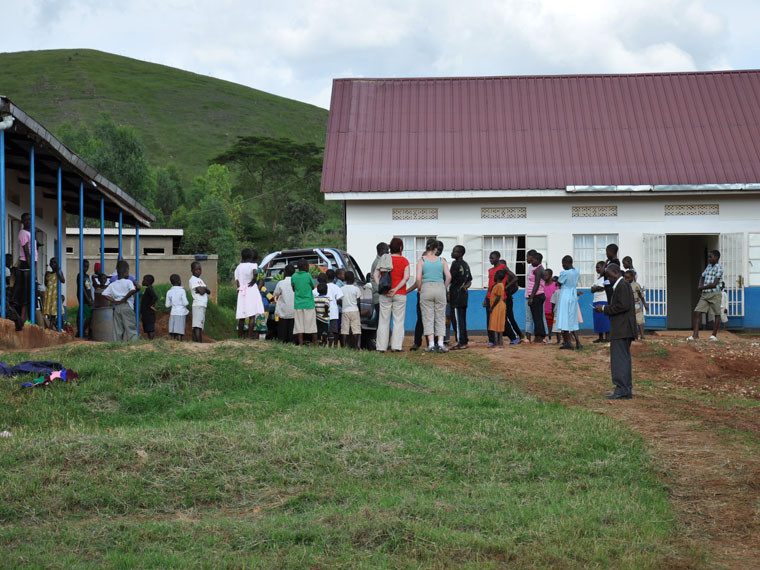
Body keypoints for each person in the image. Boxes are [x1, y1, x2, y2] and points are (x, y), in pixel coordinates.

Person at [595, 263, 636, 399]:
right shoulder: (619, 285)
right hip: (622, 328)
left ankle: (622, 389)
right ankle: (625, 389)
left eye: (609, 276)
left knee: (619, 359)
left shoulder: (622, 285)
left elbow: (622, 306)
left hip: (622, 328)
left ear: (616, 273)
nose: (608, 278)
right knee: (623, 358)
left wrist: (604, 309)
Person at [375, 237, 410, 353]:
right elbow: (406, 278)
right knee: (398, 320)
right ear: (401, 248)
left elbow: (375, 274)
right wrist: (395, 289)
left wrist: (381, 286)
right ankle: (396, 346)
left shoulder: (384, 258)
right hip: (400, 294)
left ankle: (381, 347)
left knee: (383, 320)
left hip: (385, 294)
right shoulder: (405, 261)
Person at [416, 238, 451, 353]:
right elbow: (449, 277)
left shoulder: (422, 260)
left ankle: (431, 344)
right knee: (440, 316)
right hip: (440, 288)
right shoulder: (442, 260)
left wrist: (420, 288)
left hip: (426, 287)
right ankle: (440, 343)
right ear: (436, 249)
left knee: (427, 317)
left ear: (427, 247)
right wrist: (443, 287)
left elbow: (417, 278)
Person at [687, 250, 723, 341]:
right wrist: (700, 285)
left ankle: (714, 335)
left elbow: (714, 284)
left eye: (711, 257)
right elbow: (702, 276)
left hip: (715, 294)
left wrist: (701, 287)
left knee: (717, 314)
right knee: (697, 312)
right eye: (708, 257)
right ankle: (695, 335)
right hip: (705, 294)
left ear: (716, 257)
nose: (709, 259)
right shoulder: (708, 267)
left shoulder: (719, 268)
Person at [102, 260, 139, 342]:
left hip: (117, 307)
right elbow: (133, 290)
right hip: (126, 306)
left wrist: (114, 301)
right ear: (126, 271)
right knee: (130, 327)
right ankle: (134, 345)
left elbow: (104, 294)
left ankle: (117, 346)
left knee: (117, 329)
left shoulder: (113, 284)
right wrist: (124, 298)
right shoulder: (128, 281)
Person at [234, 248, 265, 339]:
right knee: (252, 315)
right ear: (250, 256)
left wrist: (240, 288)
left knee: (241, 316)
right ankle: (249, 336)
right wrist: (253, 280)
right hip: (251, 289)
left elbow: (237, 281)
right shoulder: (253, 265)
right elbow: (255, 273)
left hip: (242, 290)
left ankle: (239, 337)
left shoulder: (238, 267)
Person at [12, 213, 36, 322]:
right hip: (26, 263)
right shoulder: (23, 233)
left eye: (30, 219)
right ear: (22, 222)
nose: (28, 222)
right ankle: (22, 318)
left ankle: (25, 318)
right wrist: (32, 268)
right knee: (25, 293)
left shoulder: (31, 233)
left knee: (28, 292)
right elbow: (26, 251)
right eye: (26, 220)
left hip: (30, 263)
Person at [448, 245, 472, 350]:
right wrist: (466, 286)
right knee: (462, 319)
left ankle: (460, 342)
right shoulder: (466, 264)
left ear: (460, 254)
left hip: (456, 296)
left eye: (455, 252)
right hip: (464, 296)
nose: (452, 253)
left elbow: (449, 278)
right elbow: (469, 280)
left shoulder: (456, 265)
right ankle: (464, 340)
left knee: (457, 320)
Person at [556, 255, 582, 350]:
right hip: (573, 295)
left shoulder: (564, 273)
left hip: (565, 295)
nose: (562, 266)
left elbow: (559, 282)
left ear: (566, 263)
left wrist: (557, 281)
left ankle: (568, 343)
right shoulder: (576, 271)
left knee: (564, 319)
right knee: (573, 318)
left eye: (563, 264)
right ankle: (578, 342)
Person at [292, 258, 318, 346]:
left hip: (298, 304)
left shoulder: (294, 276)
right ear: (306, 267)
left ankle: (300, 343)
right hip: (308, 304)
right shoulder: (308, 275)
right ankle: (315, 343)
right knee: (312, 325)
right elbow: (313, 287)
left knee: (299, 325)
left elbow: (293, 288)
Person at [483, 251, 506, 346]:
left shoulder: (502, 268)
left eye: (492, 258)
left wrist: (507, 289)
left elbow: (513, 278)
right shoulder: (490, 271)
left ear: (498, 258)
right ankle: (492, 339)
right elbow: (489, 286)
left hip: (497, 304)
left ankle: (498, 341)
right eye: (490, 258)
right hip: (490, 299)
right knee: (490, 321)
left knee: (497, 323)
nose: (490, 260)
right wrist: (485, 298)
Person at [526, 251, 547, 343]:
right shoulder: (536, 268)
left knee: (537, 317)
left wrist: (531, 298)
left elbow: (536, 284)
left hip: (537, 296)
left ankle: (540, 336)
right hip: (536, 295)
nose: (532, 261)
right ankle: (539, 335)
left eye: (533, 260)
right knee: (536, 317)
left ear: (538, 260)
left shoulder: (538, 270)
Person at [189, 261, 212, 343]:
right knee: (197, 326)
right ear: (192, 270)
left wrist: (203, 289)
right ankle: (199, 344)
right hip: (198, 304)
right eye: (196, 269)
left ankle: (195, 343)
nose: (198, 271)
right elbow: (202, 291)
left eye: (199, 269)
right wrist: (203, 289)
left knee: (198, 325)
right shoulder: (193, 280)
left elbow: (208, 291)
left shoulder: (200, 280)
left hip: (202, 305)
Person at [273, 264, 296, 343]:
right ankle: (292, 342)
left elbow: (275, 294)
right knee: (292, 330)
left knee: (282, 329)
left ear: (285, 273)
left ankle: (282, 341)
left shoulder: (281, 283)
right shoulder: (296, 282)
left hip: (283, 311)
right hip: (294, 311)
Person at [339, 271, 362, 349]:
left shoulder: (341, 289)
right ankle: (356, 347)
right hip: (354, 310)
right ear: (353, 279)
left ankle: (344, 347)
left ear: (345, 279)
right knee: (356, 330)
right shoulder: (356, 289)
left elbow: (339, 300)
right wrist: (360, 311)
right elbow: (358, 302)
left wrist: (344, 304)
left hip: (345, 310)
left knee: (344, 330)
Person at [590, 261, 611, 343]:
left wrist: (596, 288)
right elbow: (592, 290)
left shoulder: (607, 278)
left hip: (604, 300)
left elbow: (602, 288)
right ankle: (600, 337)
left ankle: (607, 337)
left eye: (598, 267)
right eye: (596, 267)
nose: (597, 269)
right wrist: (596, 287)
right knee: (598, 320)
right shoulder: (598, 279)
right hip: (596, 300)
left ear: (603, 268)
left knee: (605, 320)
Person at [41, 257, 65, 327]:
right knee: (49, 311)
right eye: (51, 262)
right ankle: (50, 325)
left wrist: (57, 272)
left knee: (55, 311)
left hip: (55, 295)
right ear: (49, 264)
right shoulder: (48, 273)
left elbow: (63, 280)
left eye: (55, 262)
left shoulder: (59, 272)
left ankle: (53, 325)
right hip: (49, 295)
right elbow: (46, 283)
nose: (53, 264)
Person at [625, 269, 648, 340]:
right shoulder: (625, 285)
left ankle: (642, 335)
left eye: (628, 278)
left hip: (636, 304)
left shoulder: (636, 285)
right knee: (630, 320)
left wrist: (645, 304)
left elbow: (641, 295)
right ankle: (633, 336)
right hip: (628, 304)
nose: (626, 279)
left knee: (639, 320)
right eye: (625, 278)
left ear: (632, 277)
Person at [165, 274, 189, 341]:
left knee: (172, 332)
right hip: (181, 313)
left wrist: (173, 302)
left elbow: (167, 305)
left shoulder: (169, 292)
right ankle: (180, 344)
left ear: (171, 282)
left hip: (173, 313)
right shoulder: (182, 291)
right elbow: (185, 303)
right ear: (179, 281)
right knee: (180, 332)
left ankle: (172, 345)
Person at [370, 242, 389, 324]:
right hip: (379, 295)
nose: (388, 253)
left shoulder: (381, 261)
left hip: (380, 294)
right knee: (381, 320)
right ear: (381, 251)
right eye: (387, 251)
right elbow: (375, 279)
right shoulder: (378, 262)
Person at [488, 269, 507, 348]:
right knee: (497, 324)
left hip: (498, 306)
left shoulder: (499, 285)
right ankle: (499, 342)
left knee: (496, 324)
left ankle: (497, 343)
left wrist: (492, 307)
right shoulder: (496, 285)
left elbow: (498, 297)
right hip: (497, 306)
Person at [75, 259, 94, 338]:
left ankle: (81, 330)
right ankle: (81, 331)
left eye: (87, 267)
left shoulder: (87, 276)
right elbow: (82, 288)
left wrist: (91, 298)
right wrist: (87, 299)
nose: (86, 268)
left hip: (88, 298)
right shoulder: (80, 275)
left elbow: (89, 288)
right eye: (84, 266)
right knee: (87, 315)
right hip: (84, 298)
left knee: (87, 315)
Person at [140, 274, 158, 340]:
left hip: (149, 313)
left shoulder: (149, 289)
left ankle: (151, 341)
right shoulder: (147, 289)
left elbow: (155, 297)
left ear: (148, 282)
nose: (142, 281)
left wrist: (151, 305)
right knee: (147, 328)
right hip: (146, 313)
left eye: (144, 280)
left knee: (150, 328)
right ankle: (150, 340)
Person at [542, 269, 558, 341]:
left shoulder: (555, 285)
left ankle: (557, 338)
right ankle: (548, 337)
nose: (545, 276)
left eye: (546, 275)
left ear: (550, 275)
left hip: (553, 308)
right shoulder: (542, 285)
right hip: (544, 308)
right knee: (546, 324)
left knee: (553, 324)